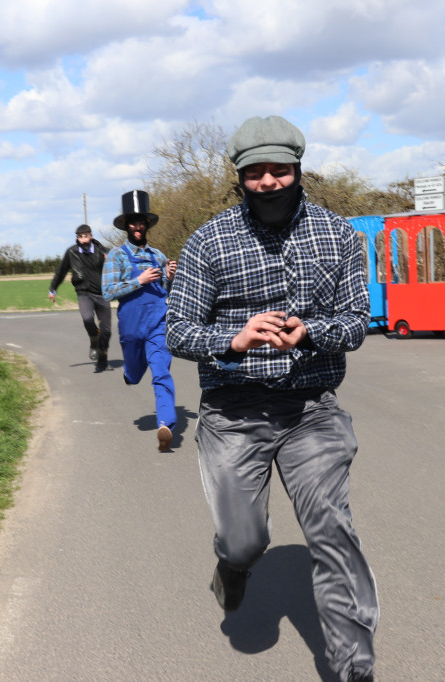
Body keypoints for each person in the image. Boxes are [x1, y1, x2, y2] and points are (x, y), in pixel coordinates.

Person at [165, 115, 377, 682]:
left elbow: (357, 320)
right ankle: (232, 567)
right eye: (255, 172)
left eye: (278, 170)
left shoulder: (338, 235)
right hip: (233, 415)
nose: (268, 182)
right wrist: (231, 340)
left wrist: (311, 331)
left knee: (332, 534)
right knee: (243, 541)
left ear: (297, 170)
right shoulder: (209, 241)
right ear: (239, 178)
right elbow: (178, 331)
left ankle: (354, 668)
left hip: (312, 411)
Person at [102, 190, 178, 451]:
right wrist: (139, 280)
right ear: (126, 225)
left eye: (141, 222)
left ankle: (166, 424)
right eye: (133, 222)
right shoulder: (117, 256)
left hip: (158, 322)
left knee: (161, 371)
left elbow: (165, 290)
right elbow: (108, 291)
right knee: (135, 375)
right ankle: (129, 372)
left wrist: (168, 275)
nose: (137, 226)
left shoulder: (157, 255)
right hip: (131, 326)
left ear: (147, 224)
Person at [48, 224, 111, 372]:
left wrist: (109, 260)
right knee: (88, 318)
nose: (83, 240)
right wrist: (53, 289)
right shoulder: (72, 252)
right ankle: (94, 340)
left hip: (102, 294)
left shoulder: (104, 252)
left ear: (91, 236)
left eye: (85, 236)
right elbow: (61, 271)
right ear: (77, 238)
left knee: (107, 330)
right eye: (80, 237)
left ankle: (103, 355)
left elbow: (118, 268)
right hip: (84, 293)